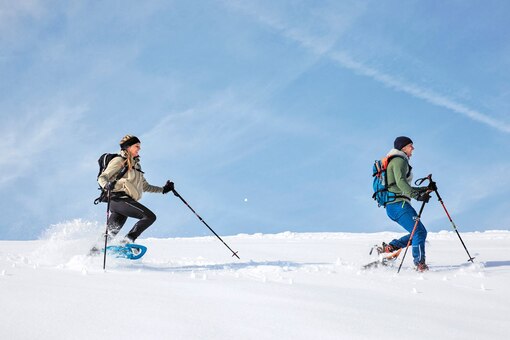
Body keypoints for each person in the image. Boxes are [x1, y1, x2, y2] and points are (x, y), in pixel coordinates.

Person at [90, 135, 174, 254]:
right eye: (136, 146)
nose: (139, 149)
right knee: (149, 217)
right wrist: (107, 185)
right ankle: (127, 242)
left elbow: (145, 186)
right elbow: (102, 177)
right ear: (128, 147)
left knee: (109, 235)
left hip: (123, 202)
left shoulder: (136, 166)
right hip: (118, 199)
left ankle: (91, 256)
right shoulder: (119, 161)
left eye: (139, 147)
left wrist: (163, 189)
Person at [378, 136, 433, 272]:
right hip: (398, 204)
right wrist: (416, 196)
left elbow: (400, 185)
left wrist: (425, 189)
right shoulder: (399, 160)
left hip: (395, 205)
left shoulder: (397, 160)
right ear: (403, 148)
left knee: (418, 232)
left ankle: (390, 248)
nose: (412, 148)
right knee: (419, 231)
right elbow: (401, 183)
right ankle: (419, 263)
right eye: (410, 145)